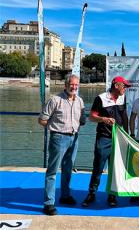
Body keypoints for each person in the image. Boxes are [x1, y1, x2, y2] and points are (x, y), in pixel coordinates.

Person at [38, 74, 86, 216]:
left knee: (68, 169)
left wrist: (79, 123)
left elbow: (82, 119)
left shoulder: (80, 101)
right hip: (58, 138)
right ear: (65, 85)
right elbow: (42, 119)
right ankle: (48, 203)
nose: (74, 87)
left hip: (74, 138)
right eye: (72, 84)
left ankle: (65, 196)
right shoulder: (55, 99)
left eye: (76, 85)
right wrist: (54, 128)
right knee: (52, 171)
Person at [81, 76, 130, 207]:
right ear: (116, 86)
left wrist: (127, 135)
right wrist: (103, 119)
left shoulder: (122, 97)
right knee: (98, 167)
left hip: (119, 139)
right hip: (104, 138)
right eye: (124, 86)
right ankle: (91, 193)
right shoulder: (101, 98)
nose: (125, 88)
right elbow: (91, 117)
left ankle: (112, 196)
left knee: (115, 169)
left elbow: (124, 116)